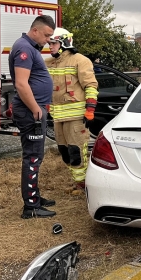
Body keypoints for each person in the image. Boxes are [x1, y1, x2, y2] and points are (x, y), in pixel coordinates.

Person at [9, 15, 57, 218]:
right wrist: (36, 108)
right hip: (31, 111)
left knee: (36, 155)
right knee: (33, 157)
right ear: (35, 30)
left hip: (34, 109)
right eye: (46, 35)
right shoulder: (24, 48)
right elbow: (21, 84)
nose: (48, 40)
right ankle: (31, 206)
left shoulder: (30, 47)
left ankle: (34, 196)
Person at [45, 28, 98, 194]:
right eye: (49, 43)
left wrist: (90, 109)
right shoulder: (48, 63)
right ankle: (77, 182)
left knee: (77, 151)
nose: (50, 47)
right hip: (57, 117)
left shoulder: (80, 61)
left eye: (53, 43)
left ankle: (83, 185)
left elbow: (91, 86)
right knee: (64, 152)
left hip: (76, 117)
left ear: (64, 43)